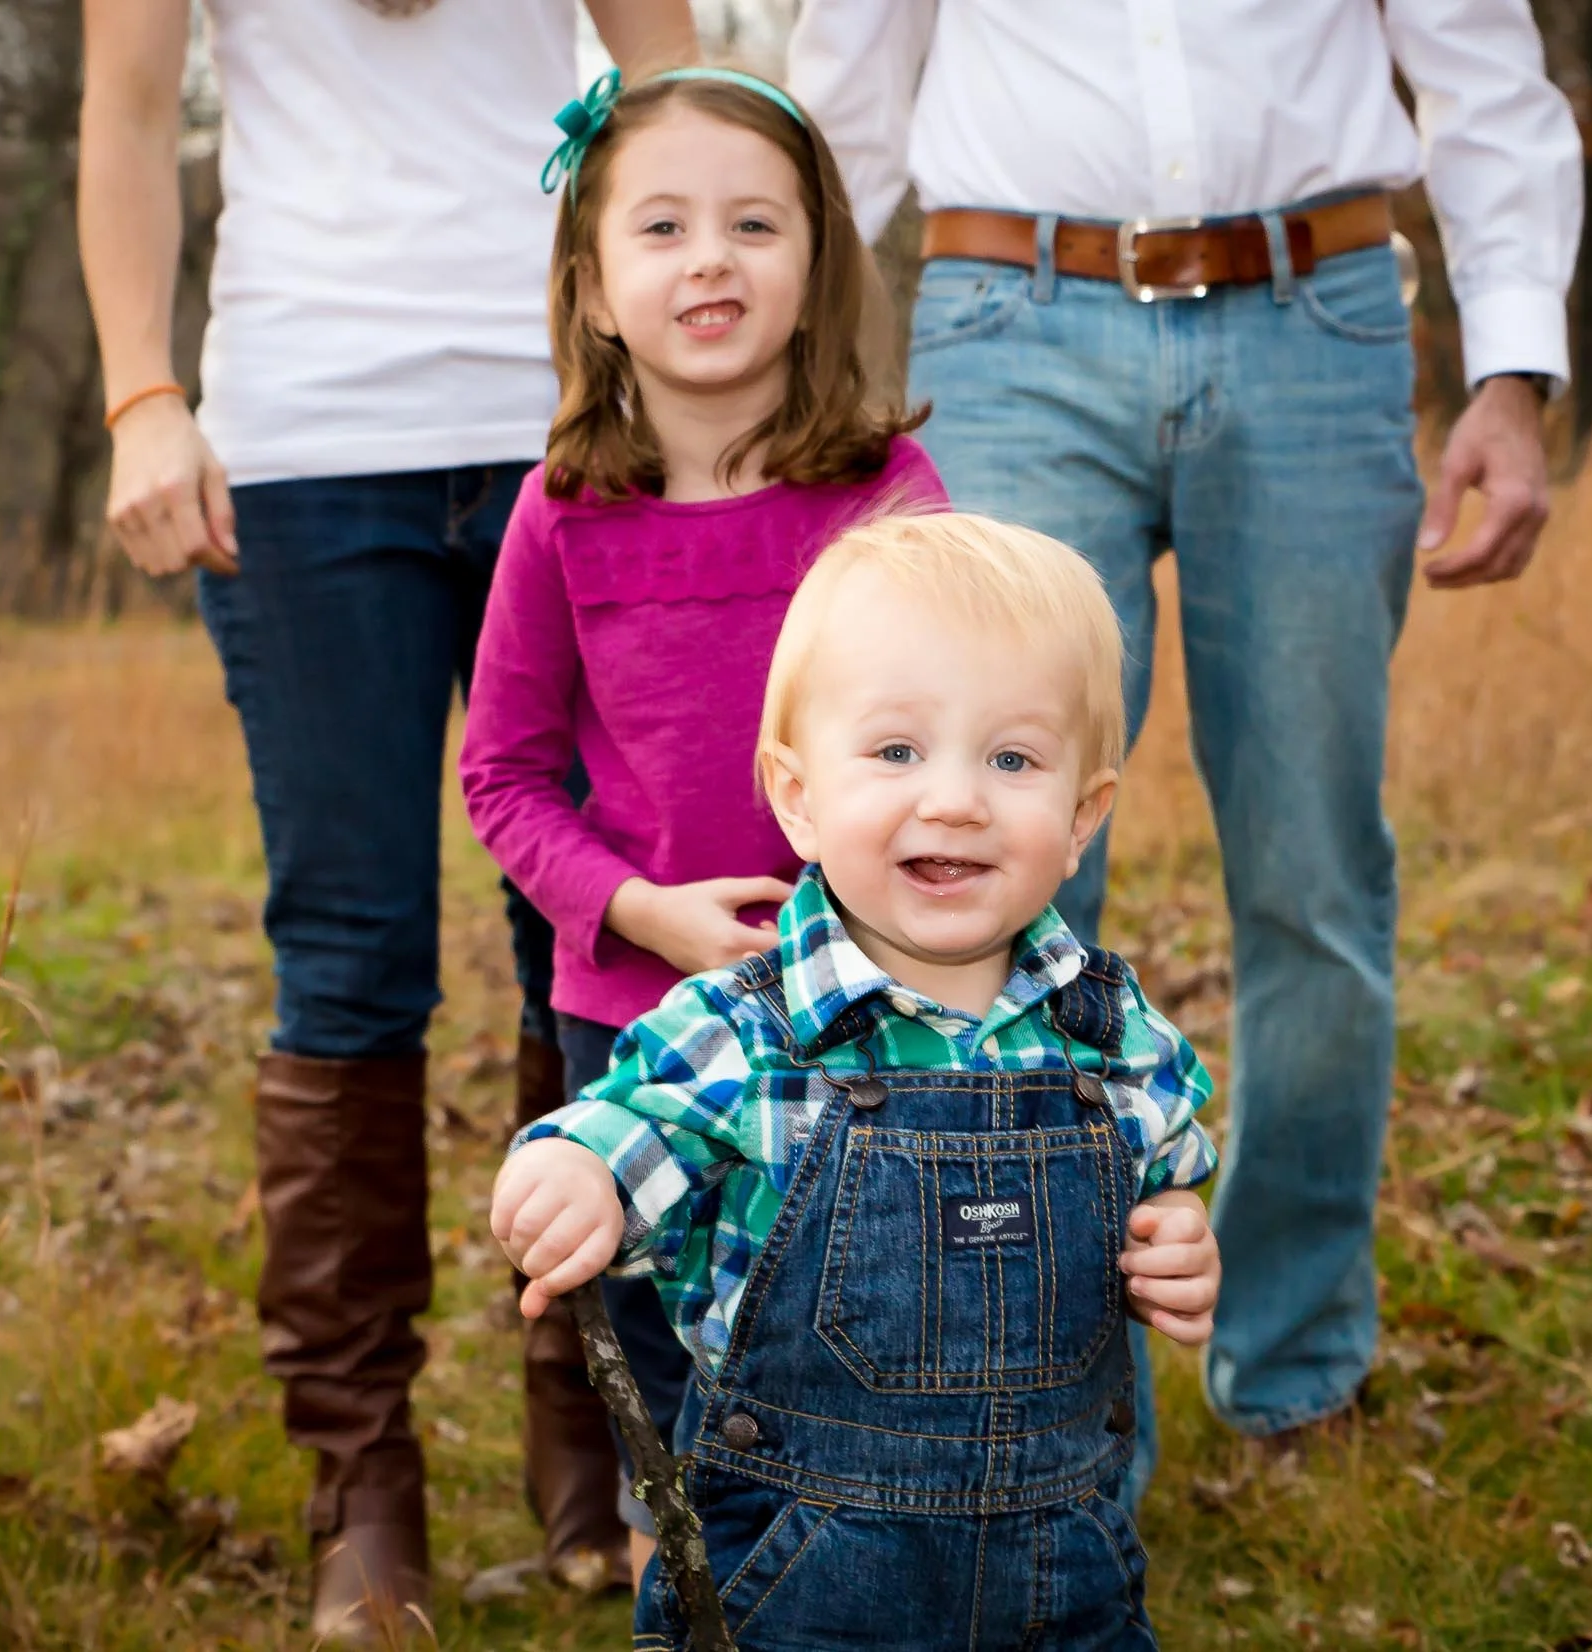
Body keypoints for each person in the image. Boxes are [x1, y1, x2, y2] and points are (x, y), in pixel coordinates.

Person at [789, 0, 1584, 1469]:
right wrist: (780, 373)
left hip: (1320, 315)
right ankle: (1042, 1396)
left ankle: (1295, 1369)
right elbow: (840, 91)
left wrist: (1512, 372)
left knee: (1314, 876)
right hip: (1010, 318)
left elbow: (1481, 65)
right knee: (981, 891)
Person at [77, 0, 697, 1637]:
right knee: (349, 953)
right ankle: (362, 1481)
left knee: (590, 930)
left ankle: (603, 1426)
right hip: (302, 450)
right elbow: (129, 114)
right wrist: (143, 391)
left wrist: (700, 367)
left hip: (573, 431)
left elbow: (678, 88)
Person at [491, 513, 1224, 1650]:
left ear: (1083, 816)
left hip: (1060, 1577)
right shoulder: (747, 1032)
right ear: (795, 795)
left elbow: (1167, 1172)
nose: (955, 799)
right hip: (803, 1583)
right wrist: (574, 1171)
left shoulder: (1110, 1031)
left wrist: (1175, 1235)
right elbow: (623, 1125)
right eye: (895, 752)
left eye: (1013, 759)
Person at [458, 65, 943, 1587]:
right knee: (677, 1356)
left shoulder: (888, 498)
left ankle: (895, 1577)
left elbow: (939, 744)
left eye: (754, 223)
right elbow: (505, 777)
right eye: (661, 228)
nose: (712, 259)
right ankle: (711, 1593)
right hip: (639, 1019)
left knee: (855, 1327)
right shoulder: (559, 513)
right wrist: (638, 910)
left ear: (817, 267)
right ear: (596, 289)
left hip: (863, 1015)